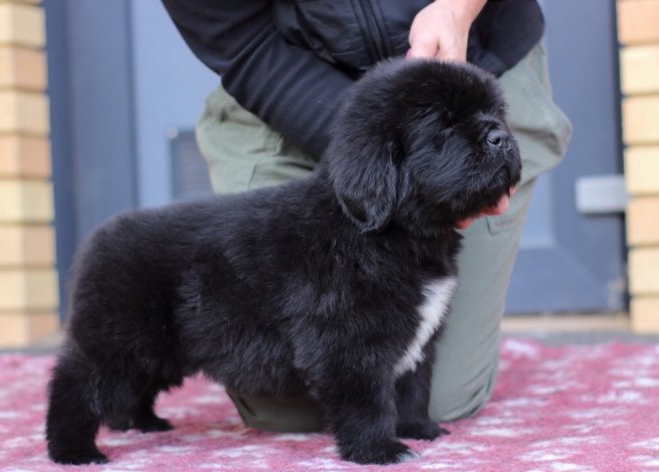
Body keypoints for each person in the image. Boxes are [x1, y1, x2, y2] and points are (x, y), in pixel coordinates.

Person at [162, 0, 571, 432]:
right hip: (286, 86)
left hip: (474, 67)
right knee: (290, 404)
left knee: (431, 403)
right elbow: (243, 41)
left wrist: (457, 10)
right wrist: (382, 151)